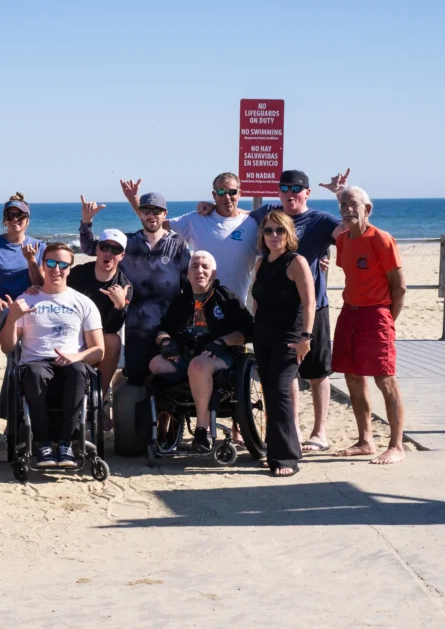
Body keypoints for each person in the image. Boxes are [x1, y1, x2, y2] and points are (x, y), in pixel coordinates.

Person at [197, 168, 351, 453]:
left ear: (307, 193)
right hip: (274, 315)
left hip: (312, 308)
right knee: (284, 376)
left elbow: (351, 230)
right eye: (285, 189)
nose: (290, 195)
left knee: (316, 373)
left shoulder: (320, 219)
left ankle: (319, 433)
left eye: (296, 190)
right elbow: (236, 213)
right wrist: (211, 206)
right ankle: (289, 430)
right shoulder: (269, 213)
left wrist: (340, 193)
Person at [0, 243, 105, 468]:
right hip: (36, 363)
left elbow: (98, 351)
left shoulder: (83, 303)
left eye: (63, 264)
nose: (57, 269)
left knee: (77, 371)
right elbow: (7, 347)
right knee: (34, 372)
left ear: (70, 268)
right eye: (52, 263)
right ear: (43, 265)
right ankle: (43, 443)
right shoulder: (27, 300)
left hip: (72, 363)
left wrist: (76, 356)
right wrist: (12, 318)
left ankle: (66, 443)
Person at [80, 191, 190, 384]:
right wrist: (86, 222)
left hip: (169, 321)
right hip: (134, 323)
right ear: (140, 213)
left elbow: (188, 285)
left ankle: (165, 414)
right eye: (146, 210)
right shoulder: (128, 242)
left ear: (165, 214)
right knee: (137, 377)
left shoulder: (177, 244)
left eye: (157, 211)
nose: (151, 215)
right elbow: (91, 248)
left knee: (168, 376)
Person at [149, 251, 253, 453]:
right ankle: (165, 421)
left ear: (213, 273)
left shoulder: (226, 298)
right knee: (155, 364)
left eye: (205, 267)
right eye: (194, 266)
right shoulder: (181, 301)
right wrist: (165, 341)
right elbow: (162, 328)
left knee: (198, 366)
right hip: (187, 355)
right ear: (187, 274)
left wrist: (223, 341)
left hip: (221, 357)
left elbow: (248, 331)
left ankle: (201, 431)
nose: (200, 271)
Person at [333, 187, 407, 465]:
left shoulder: (382, 239)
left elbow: (400, 287)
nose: (347, 209)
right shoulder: (342, 240)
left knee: (384, 379)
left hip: (376, 314)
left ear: (368, 208)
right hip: (349, 312)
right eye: (343, 205)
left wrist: (387, 320)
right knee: (352, 376)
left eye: (353, 204)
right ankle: (366, 440)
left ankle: (397, 446)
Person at [123, 174, 259, 303]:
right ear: (214, 195)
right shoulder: (196, 219)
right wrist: (133, 199)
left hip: (236, 306)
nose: (227, 197)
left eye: (232, 192)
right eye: (221, 192)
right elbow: (157, 224)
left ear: (240, 193)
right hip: (202, 308)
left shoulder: (252, 224)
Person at [252, 211, 315, 476]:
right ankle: (280, 450)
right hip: (263, 337)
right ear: (262, 235)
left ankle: (286, 458)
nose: (274, 236)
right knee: (271, 395)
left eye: (279, 230)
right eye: (268, 231)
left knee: (280, 394)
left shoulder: (296, 262)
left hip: (289, 339)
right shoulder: (261, 263)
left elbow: (310, 302)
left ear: (288, 234)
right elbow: (256, 300)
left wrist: (306, 338)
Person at [65, 229, 131, 401]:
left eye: (116, 250)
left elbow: (113, 328)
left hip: (98, 338)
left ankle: (100, 399)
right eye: (104, 247)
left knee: (113, 340)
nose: (109, 253)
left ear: (122, 256)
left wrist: (119, 306)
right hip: (69, 331)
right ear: (96, 250)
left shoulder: (124, 286)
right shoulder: (77, 274)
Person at [0, 193, 45, 314]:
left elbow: (41, 285)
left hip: (28, 304)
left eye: (20, 215)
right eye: (9, 215)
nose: (15, 219)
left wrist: (31, 260)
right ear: (4, 220)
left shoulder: (39, 246)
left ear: (27, 220)